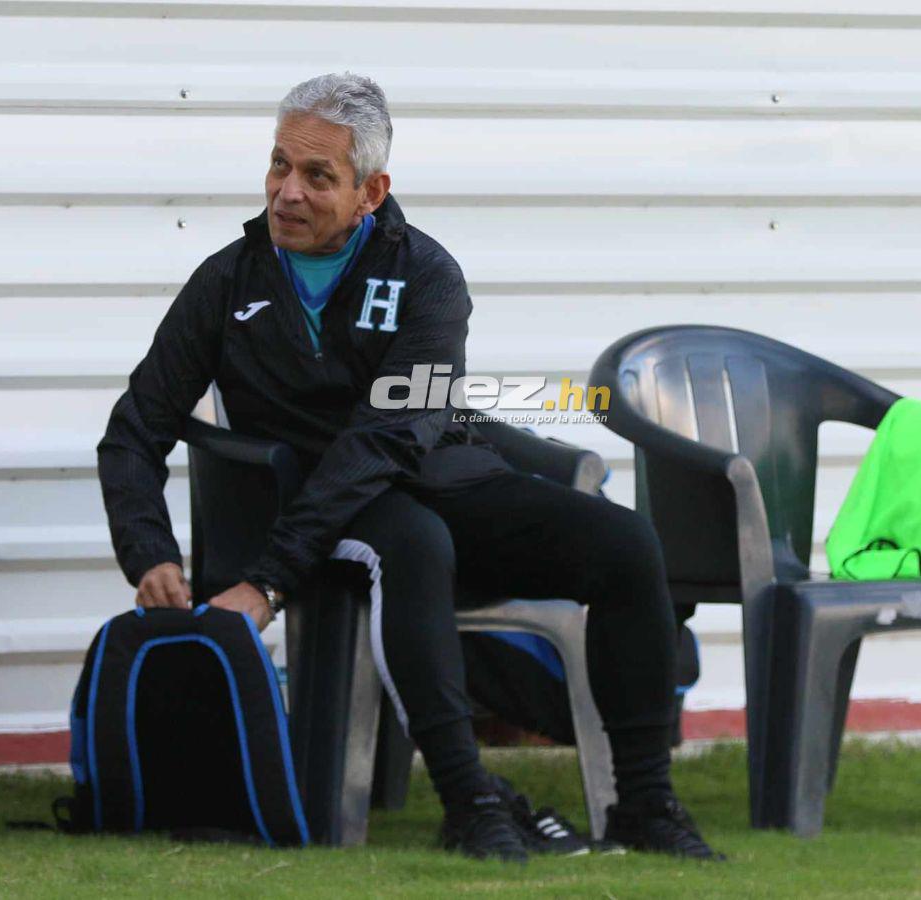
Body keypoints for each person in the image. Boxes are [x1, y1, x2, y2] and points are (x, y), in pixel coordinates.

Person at [97, 72, 721, 863]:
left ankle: (645, 806)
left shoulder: (426, 276)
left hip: (423, 476)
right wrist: (148, 548)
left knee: (628, 543)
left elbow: (391, 435)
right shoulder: (226, 281)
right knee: (413, 541)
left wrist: (272, 579)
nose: (287, 192)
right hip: (304, 507)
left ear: (372, 190)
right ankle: (468, 802)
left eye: (317, 176)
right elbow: (136, 427)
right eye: (279, 166)